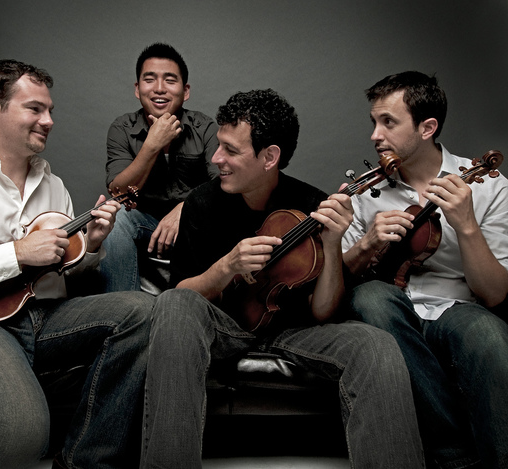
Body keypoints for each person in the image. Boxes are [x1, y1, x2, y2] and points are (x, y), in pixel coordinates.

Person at [141, 89, 425, 468]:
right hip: (223, 327)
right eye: (220, 146)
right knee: (175, 304)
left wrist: (332, 243)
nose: (216, 158)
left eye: (231, 150)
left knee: (376, 344)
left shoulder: (310, 203)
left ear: (269, 157)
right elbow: (179, 295)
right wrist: (227, 266)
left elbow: (323, 312)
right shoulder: (201, 203)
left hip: (294, 330)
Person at [0, 59, 154, 469]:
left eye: (50, 110)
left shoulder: (53, 186)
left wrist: (92, 245)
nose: (49, 120)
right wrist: (17, 253)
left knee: (144, 310)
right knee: (18, 438)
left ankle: (84, 461)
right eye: (35, 108)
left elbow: (61, 275)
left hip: (44, 317)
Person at [342, 71, 508, 469]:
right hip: (390, 307)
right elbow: (338, 279)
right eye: (374, 122)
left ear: (427, 128)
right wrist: (367, 244)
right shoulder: (367, 190)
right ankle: (455, 458)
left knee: (489, 335)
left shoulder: (488, 186)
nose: (375, 135)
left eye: (388, 122)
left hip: (456, 307)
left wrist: (466, 225)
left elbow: (494, 293)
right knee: (371, 297)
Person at [100, 42, 218, 292]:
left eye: (170, 80)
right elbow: (118, 193)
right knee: (115, 215)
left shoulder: (205, 128)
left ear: (185, 91)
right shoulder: (122, 128)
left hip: (194, 227)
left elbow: (224, 183)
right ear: (137, 89)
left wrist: (185, 208)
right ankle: (124, 308)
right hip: (145, 225)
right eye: (150, 79)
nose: (159, 88)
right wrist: (152, 145)